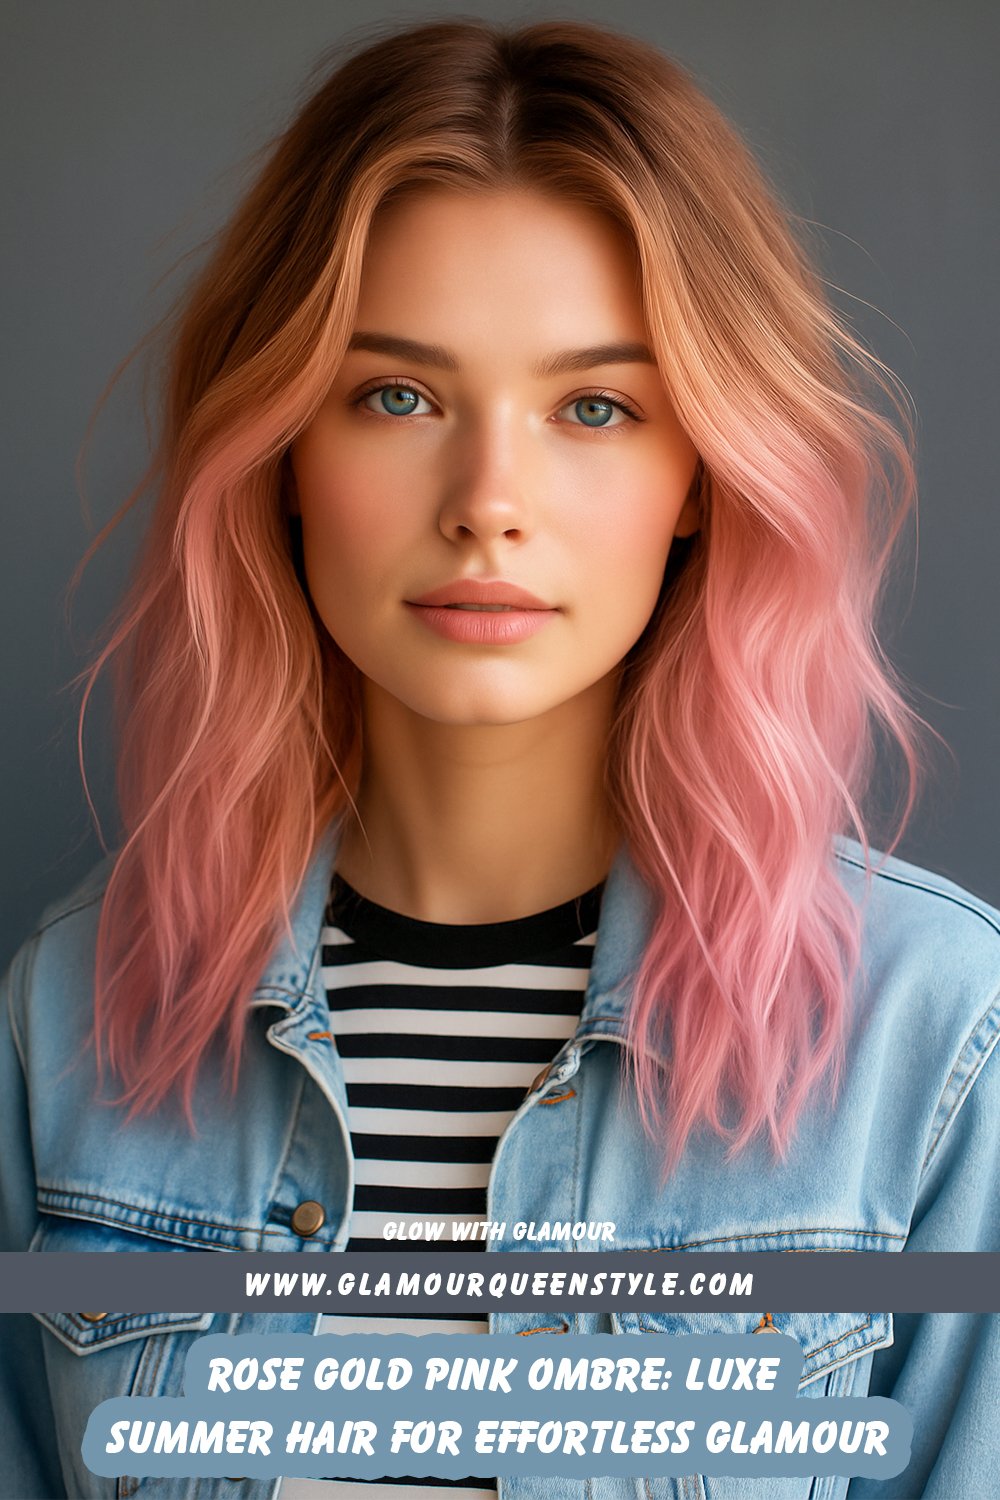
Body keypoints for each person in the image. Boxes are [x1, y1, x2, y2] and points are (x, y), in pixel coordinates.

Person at [1, 16, 997, 1500]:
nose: (489, 501)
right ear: (281, 453)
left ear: (702, 479)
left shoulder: (937, 1038)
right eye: (395, 395)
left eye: (595, 406)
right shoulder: (71, 1018)